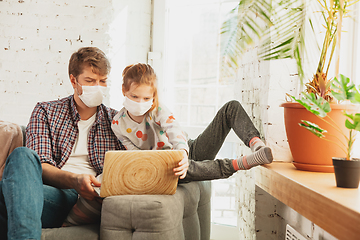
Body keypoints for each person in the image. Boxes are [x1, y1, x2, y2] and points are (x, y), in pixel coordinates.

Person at [0, 47, 272, 239]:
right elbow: (40, 167)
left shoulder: (115, 120)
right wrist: (74, 181)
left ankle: (247, 156)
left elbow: (137, 161)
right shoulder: (47, 111)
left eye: (102, 81)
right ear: (74, 80)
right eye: (89, 81)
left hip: (96, 195)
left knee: (6, 202)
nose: (97, 86)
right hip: (53, 193)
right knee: (22, 156)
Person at [62, 63, 273, 226]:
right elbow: (134, 153)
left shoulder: (158, 110)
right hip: (162, 165)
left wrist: (182, 153)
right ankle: (241, 163)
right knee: (177, 172)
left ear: (153, 96)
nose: (140, 102)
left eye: (146, 97)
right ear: (124, 91)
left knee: (231, 108)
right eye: (135, 96)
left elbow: (175, 133)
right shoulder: (117, 122)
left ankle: (256, 146)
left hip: (186, 151)